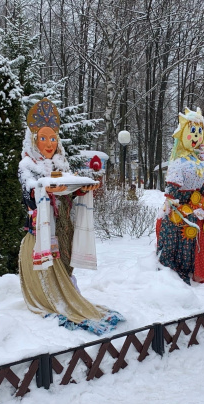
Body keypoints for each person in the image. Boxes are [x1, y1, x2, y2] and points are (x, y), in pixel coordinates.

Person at [18, 98, 124, 335]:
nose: (49, 143)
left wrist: (80, 190)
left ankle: (67, 293)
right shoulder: (27, 165)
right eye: (43, 138)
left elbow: (68, 194)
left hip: (63, 229)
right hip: (41, 233)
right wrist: (45, 189)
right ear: (34, 139)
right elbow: (29, 195)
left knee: (65, 266)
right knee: (47, 272)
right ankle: (51, 298)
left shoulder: (61, 164)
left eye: (53, 138)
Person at [156, 107, 204, 283]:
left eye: (199, 132)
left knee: (198, 226)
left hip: (196, 209)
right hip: (181, 209)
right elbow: (172, 194)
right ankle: (177, 272)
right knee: (179, 226)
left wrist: (203, 204)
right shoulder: (179, 163)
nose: (196, 137)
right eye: (192, 132)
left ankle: (196, 268)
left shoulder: (200, 163)